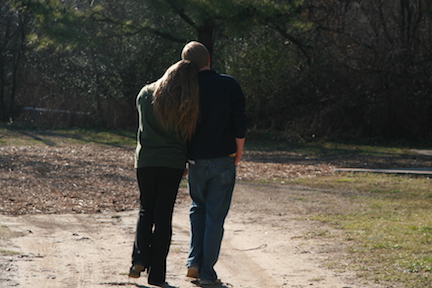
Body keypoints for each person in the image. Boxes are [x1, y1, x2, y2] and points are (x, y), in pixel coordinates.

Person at [128, 60, 199, 287]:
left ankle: (139, 258)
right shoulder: (186, 101)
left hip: (146, 161)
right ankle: (157, 274)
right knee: (163, 216)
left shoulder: (145, 94)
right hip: (172, 163)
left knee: (145, 210)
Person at [181, 41, 247, 285]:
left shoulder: (186, 88)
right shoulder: (228, 84)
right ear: (208, 58)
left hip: (196, 161)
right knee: (215, 217)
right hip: (223, 160)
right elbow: (239, 122)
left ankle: (193, 262)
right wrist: (237, 152)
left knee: (198, 209)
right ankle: (207, 272)